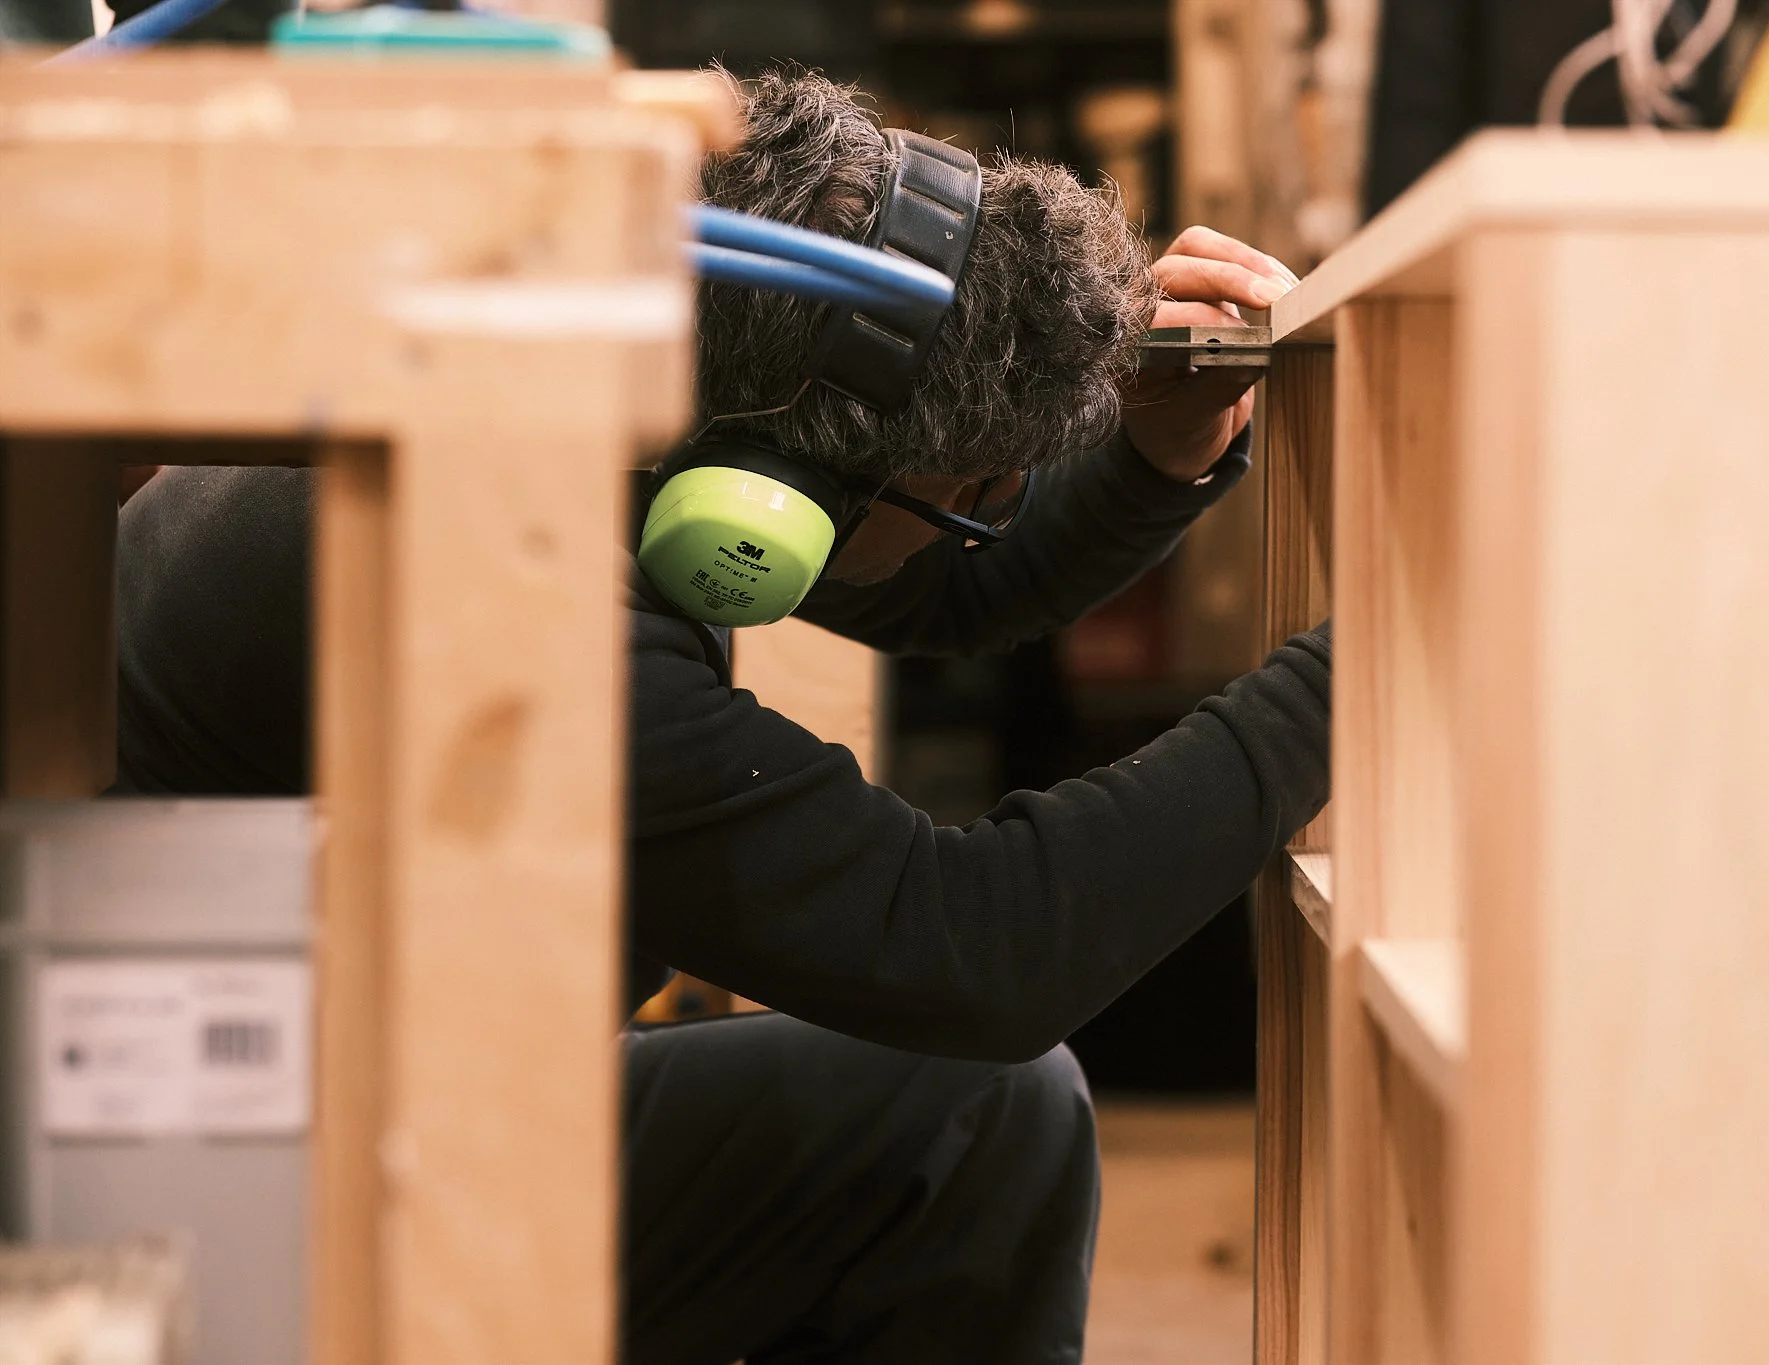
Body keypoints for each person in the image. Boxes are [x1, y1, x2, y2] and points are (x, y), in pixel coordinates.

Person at [114, 70, 1329, 1365]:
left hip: (334, 1103)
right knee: (968, 1106)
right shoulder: (504, 610)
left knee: (972, 1116)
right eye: (971, 484)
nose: (989, 508)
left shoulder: (594, 416)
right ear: (774, 499)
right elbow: (974, 949)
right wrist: (1346, 688)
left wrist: (1153, 455)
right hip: (212, 1223)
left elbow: (932, 583)